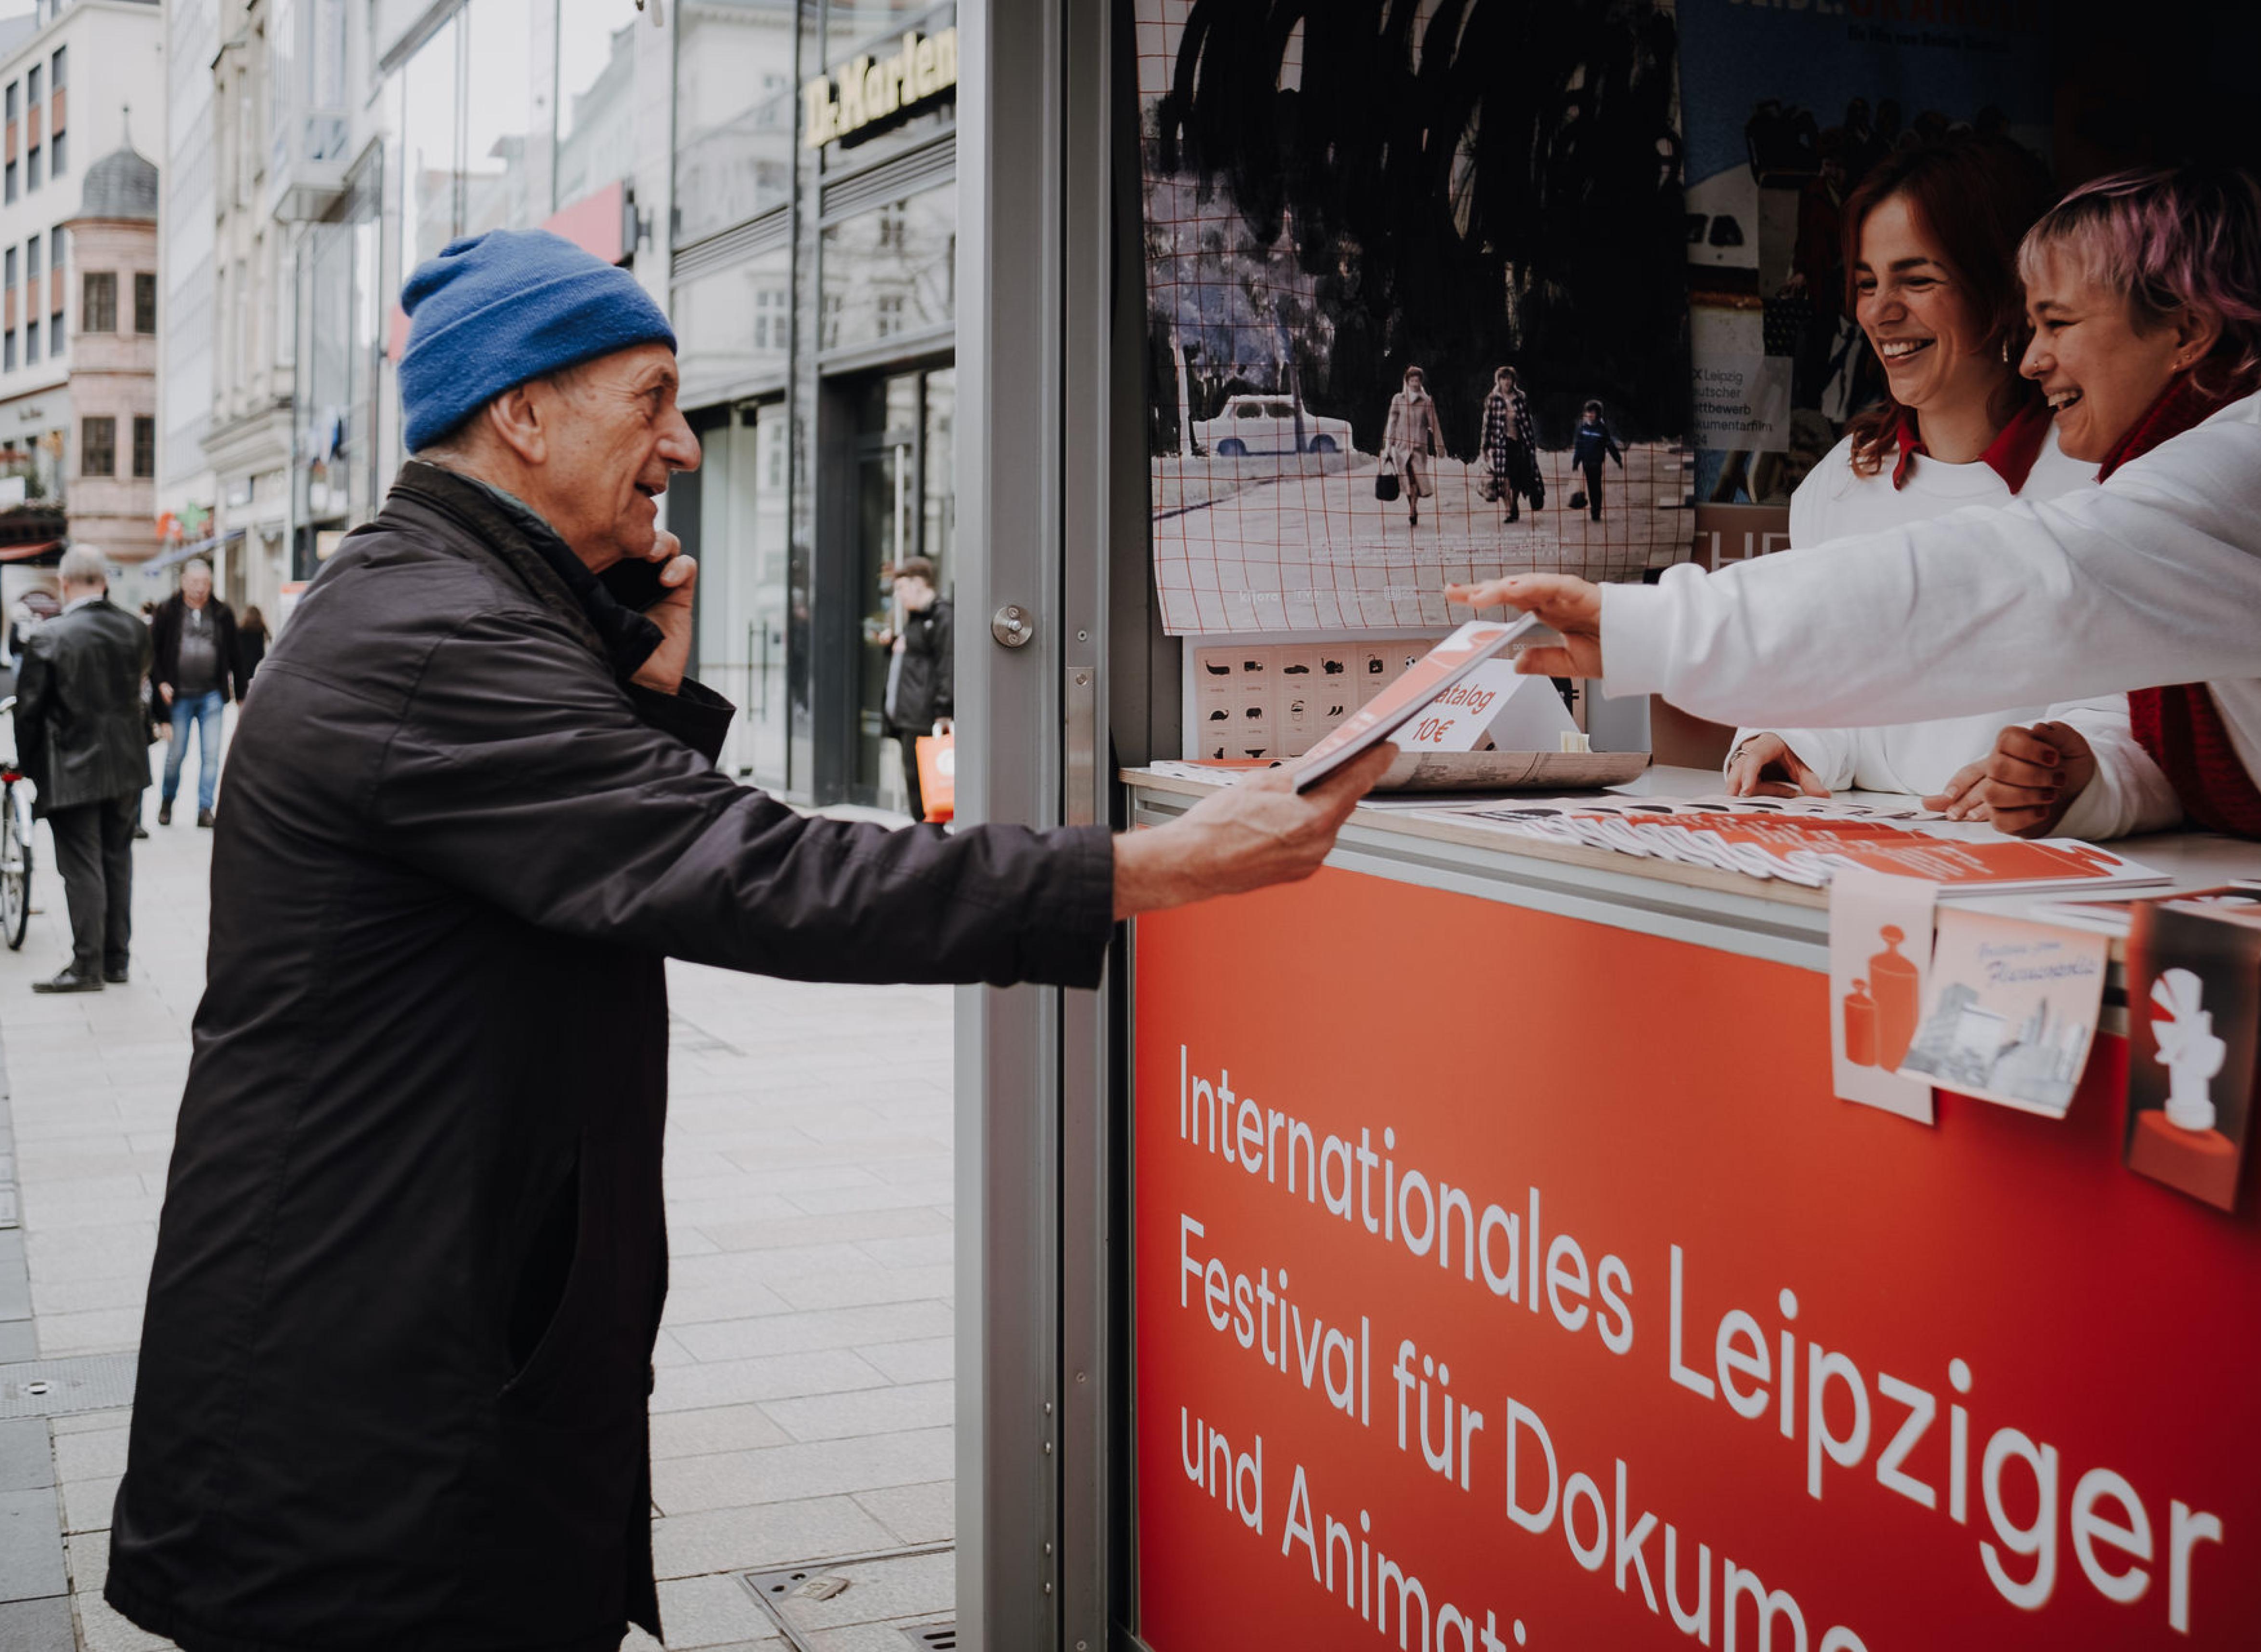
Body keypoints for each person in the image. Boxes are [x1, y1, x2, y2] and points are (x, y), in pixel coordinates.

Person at [105, 227, 1393, 1652]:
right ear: (519, 412)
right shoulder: (436, 642)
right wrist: (1144, 865)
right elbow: (749, 871)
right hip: (365, 1417)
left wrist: (637, 682)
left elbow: (585, 860)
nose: (682, 448)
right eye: (649, 399)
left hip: (408, 1348)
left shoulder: (453, 609)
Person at [1449, 168, 2261, 844]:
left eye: (2058, 326)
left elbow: (2006, 588)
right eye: (1864, 281)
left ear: (2189, 331)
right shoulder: (2236, 457)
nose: (2035, 358)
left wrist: (1651, 625)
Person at [1724, 137, 2171, 837]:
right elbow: (1822, 685)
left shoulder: (2108, 474)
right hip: (1862, 864)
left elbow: (2147, 727)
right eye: (1868, 282)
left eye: (1917, 279)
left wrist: (2068, 777)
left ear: (2001, 291)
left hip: (2047, 885)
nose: (1878, 312)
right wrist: (1783, 738)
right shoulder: (1836, 484)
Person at [10, 545, 150, 992]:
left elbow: (28, 713)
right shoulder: (134, 629)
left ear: (65, 583)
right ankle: (117, 959)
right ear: (104, 581)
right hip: (127, 764)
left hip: (72, 765)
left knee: (82, 865)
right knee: (117, 859)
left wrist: (33, 771)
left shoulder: (50, 636)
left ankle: (87, 964)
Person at [148, 558, 241, 827]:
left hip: (211, 695)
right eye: (194, 582)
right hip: (179, 696)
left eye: (205, 583)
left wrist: (242, 695)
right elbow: (151, 652)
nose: (200, 588)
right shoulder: (168, 611)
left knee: (211, 755)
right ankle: (167, 801)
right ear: (184, 582)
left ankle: (205, 808)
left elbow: (236, 655)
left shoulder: (222, 613)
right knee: (176, 755)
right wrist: (161, 683)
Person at [879, 558, 953, 820]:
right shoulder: (917, 619)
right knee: (915, 785)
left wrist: (944, 711)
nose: (897, 596)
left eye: (901, 588)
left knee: (928, 789)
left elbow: (948, 665)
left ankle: (930, 841)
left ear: (919, 583)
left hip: (924, 718)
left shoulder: (942, 617)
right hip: (909, 716)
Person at [1381, 365, 1444, 527]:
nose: (1415, 383)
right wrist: (1388, 444)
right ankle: (1412, 508)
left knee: (1415, 478)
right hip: (1401, 446)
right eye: (1412, 380)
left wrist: (1439, 445)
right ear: (1407, 381)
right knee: (1408, 478)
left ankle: (1413, 508)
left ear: (1421, 382)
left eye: (1417, 380)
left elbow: (1434, 424)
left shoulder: (1426, 401)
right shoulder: (1398, 399)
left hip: (1419, 446)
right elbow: (1392, 422)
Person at [1482, 365, 1541, 525]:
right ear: (1498, 381)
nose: (1507, 382)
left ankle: (1514, 504)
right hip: (1501, 443)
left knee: (1517, 477)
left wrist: (1531, 444)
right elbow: (1487, 424)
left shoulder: (1521, 397)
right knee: (1504, 477)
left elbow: (1528, 422)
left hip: (1519, 443)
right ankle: (1508, 510)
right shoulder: (1493, 399)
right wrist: (1485, 446)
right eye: (1503, 379)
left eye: (1509, 379)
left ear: (1513, 381)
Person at [1569, 399, 1627, 521]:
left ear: (1598, 414)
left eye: (1593, 413)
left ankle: (1596, 511)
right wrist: (1576, 462)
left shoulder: (1602, 429)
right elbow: (1579, 447)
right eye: (1588, 413)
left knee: (1596, 487)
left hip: (1597, 463)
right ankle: (1594, 509)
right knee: (1591, 487)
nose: (1590, 415)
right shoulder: (1583, 428)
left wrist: (1618, 460)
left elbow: (1610, 446)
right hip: (1586, 463)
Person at [233, 604, 269, 702]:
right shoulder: (261, 630)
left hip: (244, 666)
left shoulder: (241, 630)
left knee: (243, 696)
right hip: (257, 665)